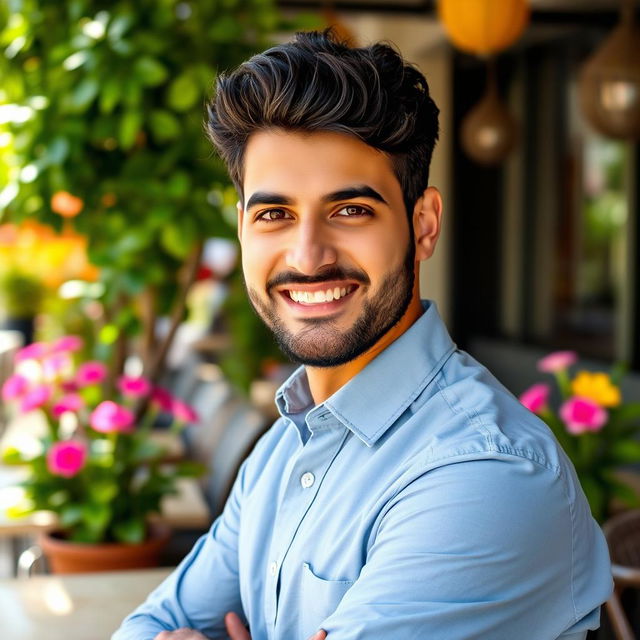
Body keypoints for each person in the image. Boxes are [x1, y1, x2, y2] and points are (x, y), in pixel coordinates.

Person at [113, 29, 612, 640]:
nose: (308, 255)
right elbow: (150, 625)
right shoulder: (282, 450)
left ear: (423, 224)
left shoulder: (485, 474)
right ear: (243, 229)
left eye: (350, 210)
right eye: (275, 214)